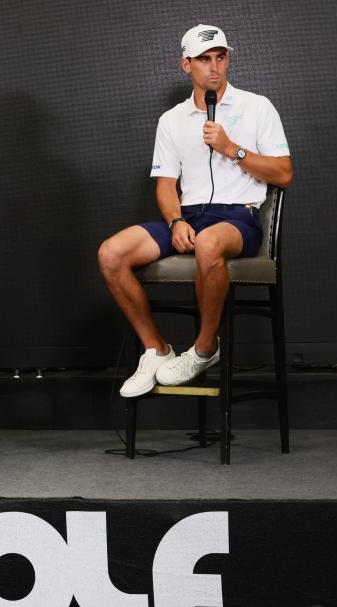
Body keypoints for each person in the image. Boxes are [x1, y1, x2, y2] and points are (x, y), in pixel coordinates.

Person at [98, 24, 292, 397]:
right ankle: (156, 349)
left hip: (238, 217)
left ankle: (204, 349)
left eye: (221, 57)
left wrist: (233, 149)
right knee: (110, 253)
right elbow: (165, 186)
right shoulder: (171, 120)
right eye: (204, 59)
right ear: (186, 64)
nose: (214, 67)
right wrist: (174, 221)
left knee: (207, 244)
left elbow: (284, 174)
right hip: (189, 215)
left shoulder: (257, 107)